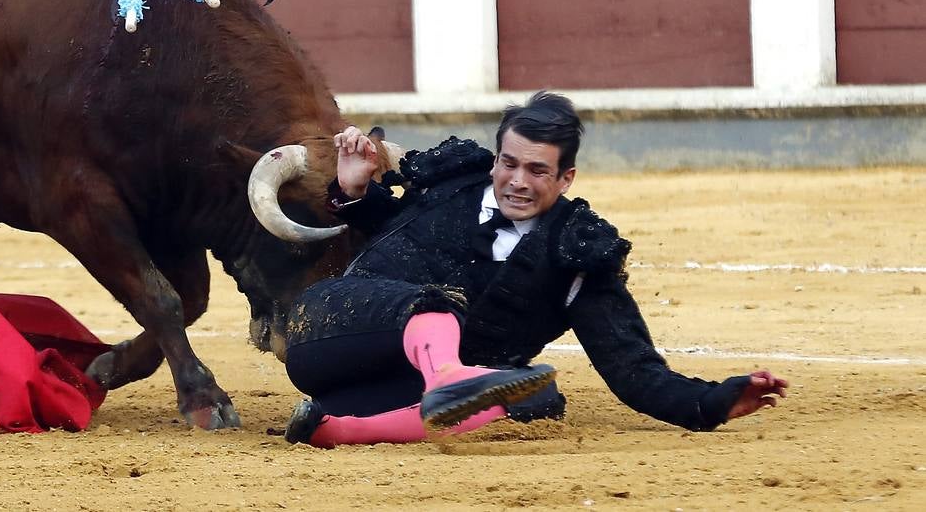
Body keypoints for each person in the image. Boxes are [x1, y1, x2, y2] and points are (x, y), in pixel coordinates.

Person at [282, 91, 789, 447]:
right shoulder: (453, 180)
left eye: (538, 170)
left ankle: (335, 430)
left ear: (566, 177)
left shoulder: (573, 249)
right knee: (436, 301)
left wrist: (710, 403)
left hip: (382, 391)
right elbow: (395, 237)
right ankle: (448, 377)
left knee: (536, 397)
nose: (517, 181)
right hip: (329, 334)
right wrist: (353, 190)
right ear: (496, 156)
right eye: (508, 163)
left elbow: (632, 367)